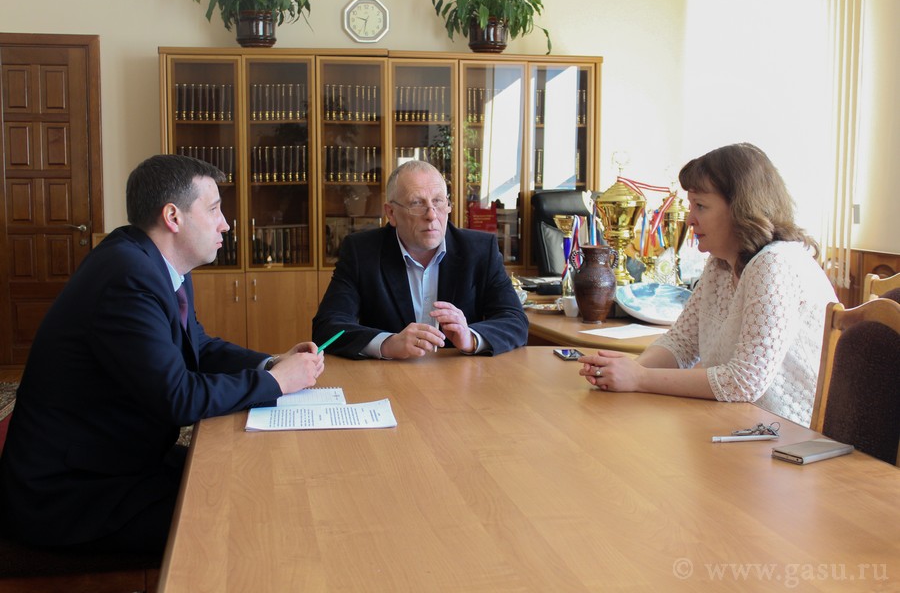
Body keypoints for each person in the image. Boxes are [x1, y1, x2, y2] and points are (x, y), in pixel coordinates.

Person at [0, 155, 325, 554]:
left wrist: (269, 363)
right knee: (243, 516)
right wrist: (276, 382)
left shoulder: (156, 261)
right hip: (72, 493)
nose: (225, 223)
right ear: (173, 217)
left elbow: (197, 345)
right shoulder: (127, 277)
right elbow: (179, 398)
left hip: (120, 458)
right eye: (214, 209)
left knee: (248, 477)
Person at [578, 143, 837, 427]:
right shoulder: (721, 263)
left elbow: (743, 382)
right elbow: (681, 343)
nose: (690, 219)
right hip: (744, 426)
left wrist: (639, 378)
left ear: (741, 209)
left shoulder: (775, 264)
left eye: (700, 206)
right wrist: (626, 370)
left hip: (793, 437)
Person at [313, 160, 528, 359]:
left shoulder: (480, 250)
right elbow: (328, 327)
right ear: (391, 213)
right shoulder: (362, 252)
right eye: (417, 203)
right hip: (390, 376)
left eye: (438, 201)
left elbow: (515, 320)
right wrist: (387, 344)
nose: (432, 215)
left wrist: (470, 337)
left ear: (448, 206)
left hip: (459, 375)